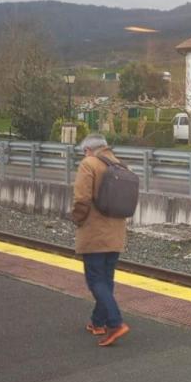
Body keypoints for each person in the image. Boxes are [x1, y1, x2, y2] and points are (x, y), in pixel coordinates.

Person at [72, 133, 130, 347]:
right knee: (106, 279)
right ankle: (98, 322)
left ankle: (115, 323)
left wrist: (77, 219)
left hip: (94, 232)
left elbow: (82, 198)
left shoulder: (89, 164)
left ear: (88, 150)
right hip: (116, 232)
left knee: (95, 280)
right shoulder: (122, 165)